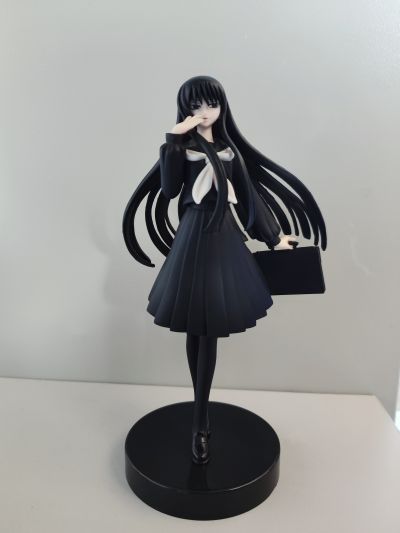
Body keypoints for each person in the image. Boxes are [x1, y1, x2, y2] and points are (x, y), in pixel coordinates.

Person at [123, 75, 327, 464]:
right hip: (193, 236)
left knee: (210, 329)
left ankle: (200, 419)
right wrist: (173, 140)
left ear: (222, 107)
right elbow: (169, 190)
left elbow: (248, 198)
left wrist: (274, 238)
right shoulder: (181, 148)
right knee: (195, 326)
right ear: (184, 109)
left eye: (210, 104)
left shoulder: (230, 151)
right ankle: (200, 417)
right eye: (195, 106)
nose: (204, 112)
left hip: (224, 238)